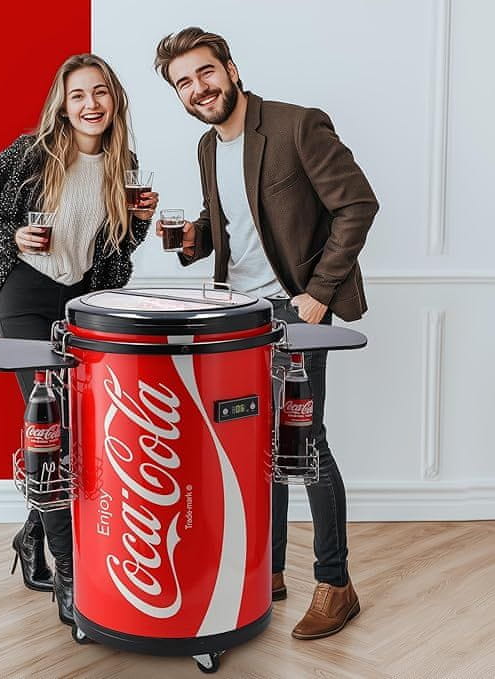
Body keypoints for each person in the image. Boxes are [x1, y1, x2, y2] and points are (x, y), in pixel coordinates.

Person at [154, 27, 378, 640]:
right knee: (255, 444)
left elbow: (357, 205)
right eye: (183, 83)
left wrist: (319, 294)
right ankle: (266, 572)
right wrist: (194, 238)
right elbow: (229, 220)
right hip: (239, 314)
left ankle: (336, 584)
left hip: (296, 310)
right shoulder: (208, 146)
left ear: (230, 68)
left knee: (305, 443)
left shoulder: (296, 125)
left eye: (205, 72)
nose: (198, 88)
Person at [0, 53, 158, 626]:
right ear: (62, 106)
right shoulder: (30, 152)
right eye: (78, 95)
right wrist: (13, 234)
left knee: (80, 434)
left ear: (115, 100)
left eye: (100, 92)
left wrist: (140, 222)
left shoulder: (124, 165)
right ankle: (70, 577)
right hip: (22, 299)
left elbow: (116, 254)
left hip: (78, 306)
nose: (91, 104)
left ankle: (30, 538)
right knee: (53, 433)